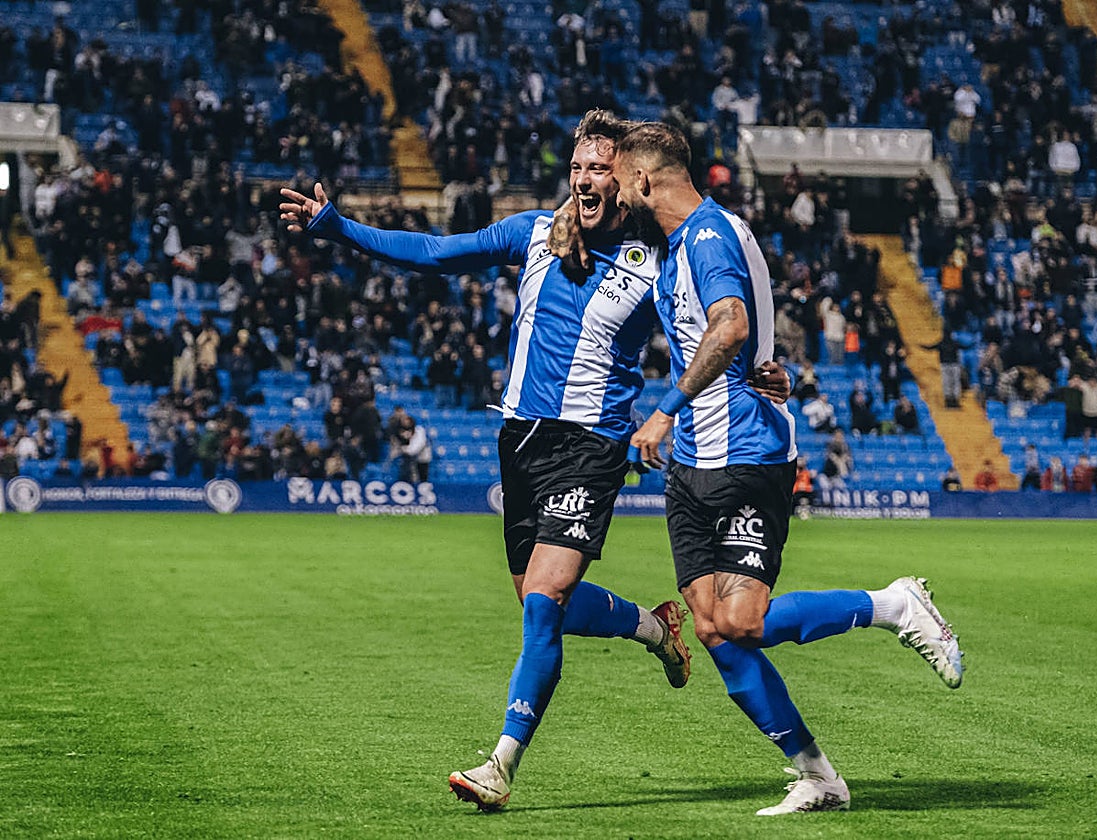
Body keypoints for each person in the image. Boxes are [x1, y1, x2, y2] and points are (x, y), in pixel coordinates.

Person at [282, 109, 789, 812]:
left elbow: (718, 322)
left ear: (628, 181)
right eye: (577, 167)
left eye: (599, 170)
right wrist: (336, 225)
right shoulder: (532, 234)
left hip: (593, 447)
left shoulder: (656, 260)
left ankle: (501, 764)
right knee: (535, 599)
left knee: (544, 603)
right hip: (521, 442)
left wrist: (766, 372)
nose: (585, 179)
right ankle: (653, 625)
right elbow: (434, 250)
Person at [615, 121, 963, 816]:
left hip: (743, 452)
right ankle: (819, 777)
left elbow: (733, 325)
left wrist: (664, 408)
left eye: (621, 177)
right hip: (692, 461)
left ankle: (892, 605)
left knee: (741, 623)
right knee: (711, 628)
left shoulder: (708, 236)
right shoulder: (692, 241)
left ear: (646, 178)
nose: (618, 190)